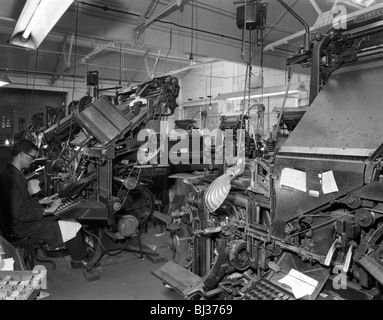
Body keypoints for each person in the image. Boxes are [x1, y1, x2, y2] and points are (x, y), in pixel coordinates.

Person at [0, 139, 94, 271]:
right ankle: (79, 260)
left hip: (20, 221)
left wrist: (41, 201)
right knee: (70, 224)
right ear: (21, 154)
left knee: (66, 217)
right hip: (22, 226)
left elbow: (21, 201)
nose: (33, 161)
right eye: (32, 157)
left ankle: (79, 254)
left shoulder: (11, 172)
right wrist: (47, 211)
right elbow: (19, 212)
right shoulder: (10, 178)